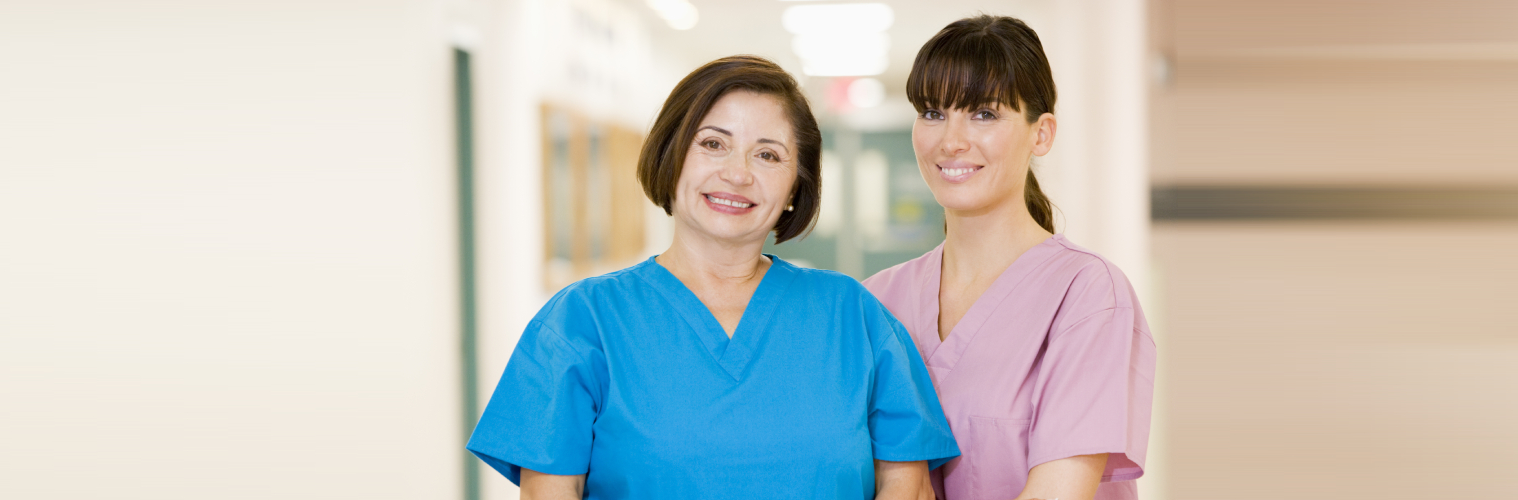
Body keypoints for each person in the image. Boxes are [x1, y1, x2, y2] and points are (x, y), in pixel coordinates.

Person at [467, 55, 958, 500]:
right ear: (671, 156)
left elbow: (907, 486)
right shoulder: (582, 322)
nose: (737, 173)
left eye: (767, 155)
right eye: (712, 144)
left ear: (795, 187)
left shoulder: (852, 315)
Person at [861, 15, 1157, 500]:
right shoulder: (876, 299)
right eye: (933, 112)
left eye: (984, 113)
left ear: (1040, 134)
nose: (951, 140)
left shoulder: (1087, 294)